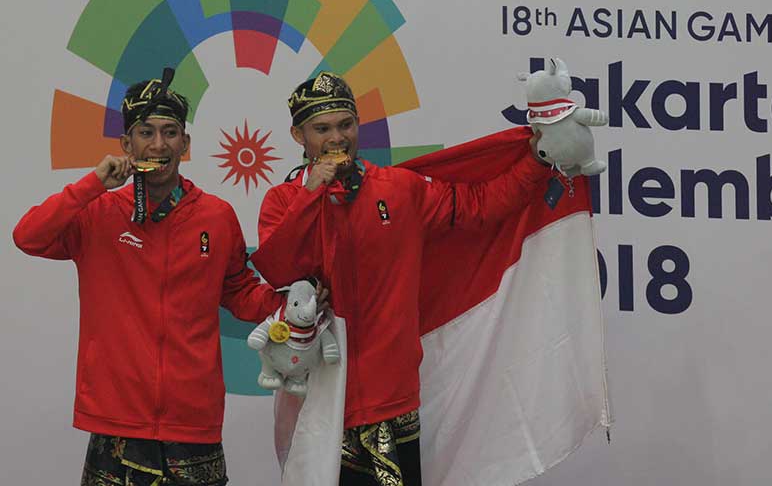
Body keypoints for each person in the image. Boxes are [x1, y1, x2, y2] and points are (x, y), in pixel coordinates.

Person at [249, 72, 551, 486]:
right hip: (317, 402)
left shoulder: (400, 188)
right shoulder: (282, 200)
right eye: (322, 129)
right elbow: (277, 268)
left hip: (392, 400)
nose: (337, 138)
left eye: (345, 125)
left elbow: (478, 208)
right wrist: (311, 193)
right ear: (298, 135)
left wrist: (538, 160)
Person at [13, 69, 285, 486]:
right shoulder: (98, 214)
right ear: (126, 144)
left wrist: (292, 305)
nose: (159, 145)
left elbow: (239, 290)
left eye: (170, 132)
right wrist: (91, 185)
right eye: (145, 132)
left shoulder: (216, 215)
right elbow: (27, 237)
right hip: (116, 419)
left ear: (186, 144)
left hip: (193, 418)